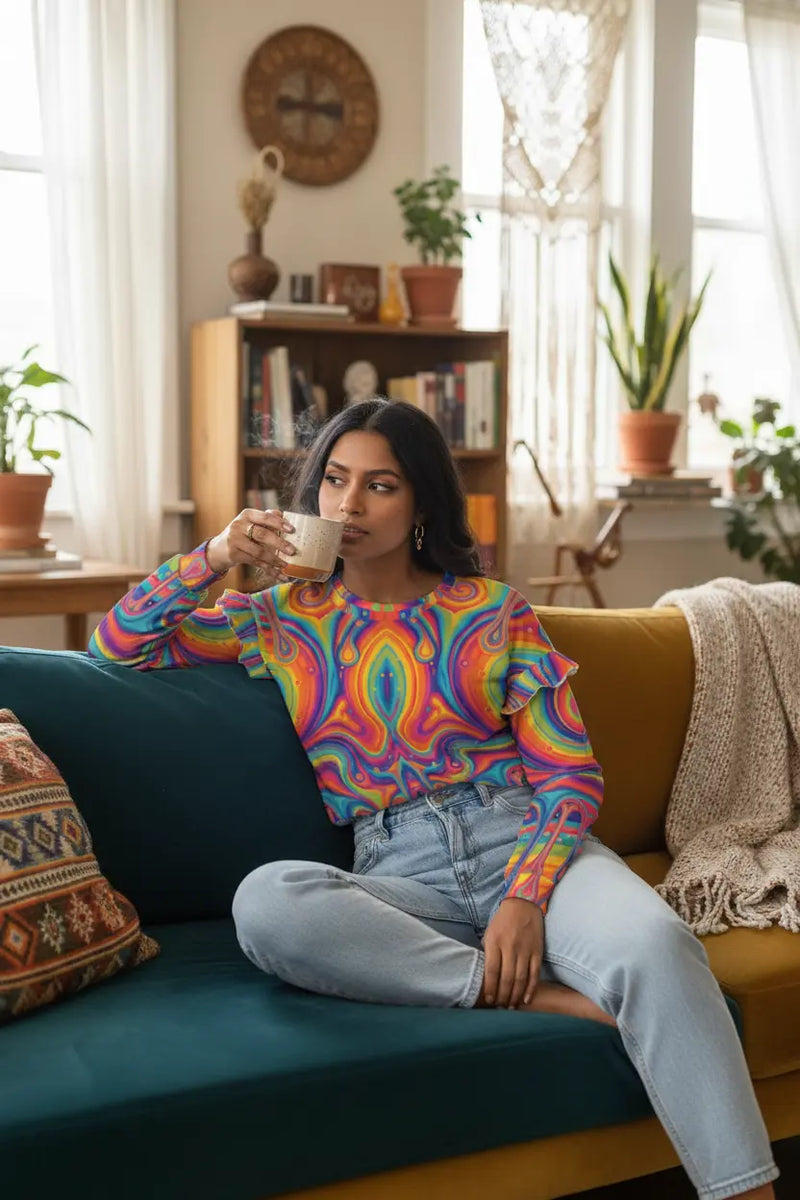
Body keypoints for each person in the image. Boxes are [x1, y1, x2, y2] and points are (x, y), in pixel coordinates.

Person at [90, 399, 777, 1200]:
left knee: (659, 948)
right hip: (401, 871)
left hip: (523, 842)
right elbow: (119, 645)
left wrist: (525, 896)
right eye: (336, 481)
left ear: (419, 503)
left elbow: (569, 776)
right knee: (267, 901)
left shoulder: (491, 611)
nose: (350, 504)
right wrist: (212, 555)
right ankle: (521, 994)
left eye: (380, 485)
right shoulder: (280, 620)